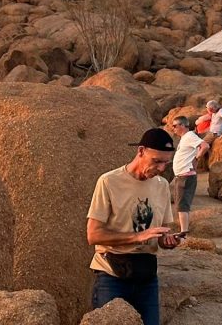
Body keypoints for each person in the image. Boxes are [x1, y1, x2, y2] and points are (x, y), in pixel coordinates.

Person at [86, 128, 183, 324]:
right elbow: (93, 235)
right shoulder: (109, 182)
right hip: (111, 275)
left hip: (146, 275)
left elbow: (161, 235)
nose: (162, 168)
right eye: (157, 161)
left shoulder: (162, 185)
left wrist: (168, 241)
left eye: (166, 162)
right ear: (141, 151)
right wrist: (137, 236)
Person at [170, 116, 209, 233]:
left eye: (175, 126)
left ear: (182, 125)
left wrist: (197, 158)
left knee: (182, 206)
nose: (173, 129)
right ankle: (183, 231)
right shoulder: (185, 138)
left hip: (185, 176)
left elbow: (205, 146)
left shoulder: (189, 136)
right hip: (183, 175)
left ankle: (183, 233)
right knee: (181, 205)